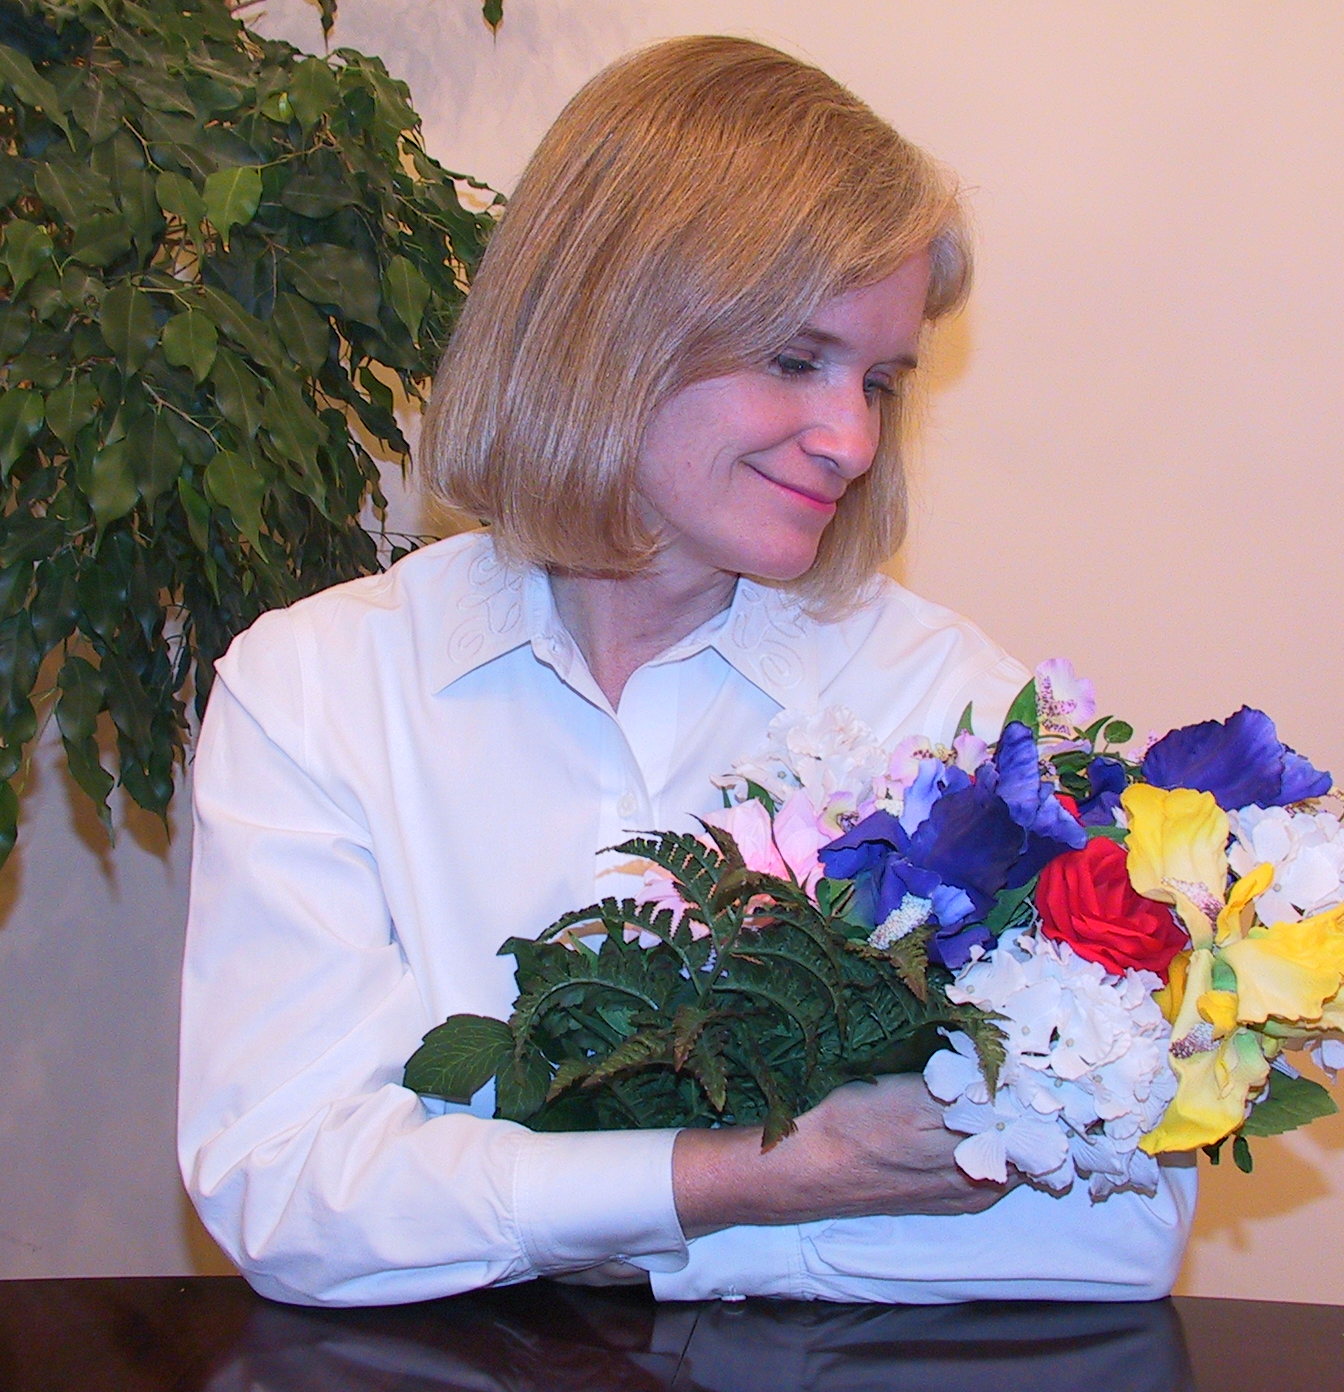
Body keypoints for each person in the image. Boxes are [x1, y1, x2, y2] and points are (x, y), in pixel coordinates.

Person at [178, 35, 1195, 1307]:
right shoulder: (319, 691)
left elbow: (1116, 1231)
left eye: (879, 381)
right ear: (605, 330)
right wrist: (766, 1179)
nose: (851, 440)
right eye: (794, 359)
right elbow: (284, 1187)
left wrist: (558, 1222)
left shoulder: (947, 709)